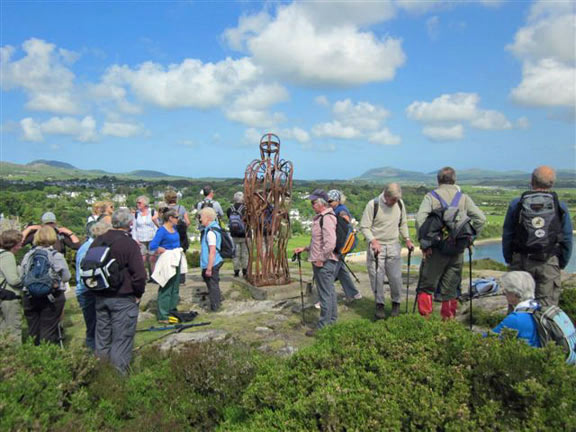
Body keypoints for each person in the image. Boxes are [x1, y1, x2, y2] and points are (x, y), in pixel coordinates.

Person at [415, 167, 486, 319]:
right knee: (451, 290)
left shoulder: (431, 197)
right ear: (454, 180)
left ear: (438, 180)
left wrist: (425, 243)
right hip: (457, 250)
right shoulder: (463, 198)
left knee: (427, 287)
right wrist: (470, 239)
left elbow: (420, 219)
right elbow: (481, 219)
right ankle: (448, 323)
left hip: (436, 249)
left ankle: (424, 321)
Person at [502, 166, 573, 307]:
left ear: (532, 181)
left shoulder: (517, 204)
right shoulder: (559, 205)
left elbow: (507, 235)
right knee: (547, 308)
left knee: (518, 306)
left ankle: (517, 329)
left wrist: (510, 259)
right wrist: (561, 262)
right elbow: (567, 238)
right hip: (548, 261)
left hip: (521, 259)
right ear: (552, 183)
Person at [91, 208, 146, 374]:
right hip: (123, 296)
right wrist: (138, 294)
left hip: (101, 295)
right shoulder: (128, 244)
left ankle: (101, 376)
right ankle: (118, 381)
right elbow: (139, 274)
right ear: (130, 223)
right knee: (121, 341)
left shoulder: (98, 241)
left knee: (102, 340)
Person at [360, 183, 414, 319]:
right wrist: (373, 241)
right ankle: (380, 305)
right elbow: (364, 227)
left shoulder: (400, 204)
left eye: (397, 200)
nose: (395, 202)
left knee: (395, 278)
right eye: (393, 200)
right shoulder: (373, 205)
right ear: (386, 195)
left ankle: (396, 303)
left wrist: (407, 239)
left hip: (393, 245)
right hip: (377, 247)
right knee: (377, 278)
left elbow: (403, 223)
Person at [294, 189, 338, 337]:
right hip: (325, 260)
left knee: (325, 294)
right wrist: (306, 248)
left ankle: (323, 325)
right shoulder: (322, 217)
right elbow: (319, 242)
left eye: (314, 202)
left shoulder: (327, 218)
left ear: (322, 204)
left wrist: (321, 259)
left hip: (324, 262)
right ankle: (331, 322)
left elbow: (330, 243)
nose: (312, 205)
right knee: (329, 292)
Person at [21, 225, 71, 345]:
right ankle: (47, 357)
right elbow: (66, 277)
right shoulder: (56, 256)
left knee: (33, 330)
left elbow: (22, 275)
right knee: (48, 328)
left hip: (30, 295)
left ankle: (32, 355)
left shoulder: (28, 255)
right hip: (52, 296)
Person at [75, 220, 112, 351]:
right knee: (93, 327)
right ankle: (94, 356)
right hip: (88, 291)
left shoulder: (89, 247)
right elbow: (83, 274)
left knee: (98, 326)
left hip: (88, 290)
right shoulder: (88, 249)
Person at [327, 189, 362, 301]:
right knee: (341, 270)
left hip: (343, 244)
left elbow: (345, 222)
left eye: (331, 201)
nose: (329, 203)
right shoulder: (336, 209)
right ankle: (354, 294)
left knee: (332, 270)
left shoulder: (341, 210)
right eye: (327, 201)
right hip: (345, 243)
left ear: (337, 200)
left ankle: (325, 297)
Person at [150, 208, 184, 322]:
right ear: (170, 218)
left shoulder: (174, 229)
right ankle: (163, 314)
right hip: (168, 259)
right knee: (166, 286)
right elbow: (153, 245)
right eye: (176, 217)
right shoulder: (162, 231)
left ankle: (172, 309)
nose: (178, 219)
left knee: (175, 286)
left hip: (177, 257)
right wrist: (160, 249)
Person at [490, 271, 541, 348]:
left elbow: (488, 339)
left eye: (506, 291)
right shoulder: (539, 308)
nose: (505, 294)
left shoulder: (515, 319)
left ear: (515, 293)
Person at [0, 229, 23, 344]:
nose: (20, 246)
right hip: (9, 296)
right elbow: (13, 280)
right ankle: (16, 357)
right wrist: (25, 280)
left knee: (2, 330)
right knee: (13, 329)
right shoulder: (8, 256)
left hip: (2, 294)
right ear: (13, 244)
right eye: (19, 243)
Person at [199, 207, 224, 311]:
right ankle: (217, 302)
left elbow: (212, 250)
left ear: (208, 218)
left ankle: (215, 306)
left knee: (212, 284)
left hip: (212, 262)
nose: (200, 219)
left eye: (201, 217)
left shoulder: (210, 232)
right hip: (215, 260)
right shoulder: (215, 228)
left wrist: (209, 268)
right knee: (212, 283)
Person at [132, 195, 159, 281]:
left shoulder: (152, 212)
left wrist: (157, 239)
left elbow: (156, 226)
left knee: (152, 258)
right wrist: (135, 239)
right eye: (137, 203)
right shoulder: (136, 214)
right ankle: (143, 276)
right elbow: (134, 228)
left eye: (139, 203)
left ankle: (154, 276)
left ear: (145, 203)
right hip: (141, 239)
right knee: (142, 259)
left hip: (152, 238)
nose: (138, 204)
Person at [227, 191, 248, 278]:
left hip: (234, 235)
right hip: (244, 234)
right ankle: (244, 271)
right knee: (244, 253)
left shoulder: (229, 209)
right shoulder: (246, 209)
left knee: (235, 253)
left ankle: (236, 271)